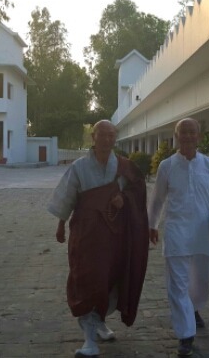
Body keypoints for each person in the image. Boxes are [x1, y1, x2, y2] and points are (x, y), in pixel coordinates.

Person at [48, 120, 149, 357]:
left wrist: (124, 198)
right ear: (93, 137)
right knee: (86, 279)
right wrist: (61, 225)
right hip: (86, 235)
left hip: (114, 235)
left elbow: (137, 190)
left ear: (115, 138)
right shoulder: (80, 166)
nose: (106, 139)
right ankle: (89, 340)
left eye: (111, 135)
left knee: (110, 278)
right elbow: (67, 196)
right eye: (101, 135)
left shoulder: (124, 166)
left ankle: (99, 322)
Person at [148, 118, 209, 357]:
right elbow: (157, 199)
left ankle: (194, 308)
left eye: (191, 132)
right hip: (176, 232)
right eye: (183, 132)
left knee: (200, 281)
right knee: (177, 285)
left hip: (203, 233)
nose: (187, 136)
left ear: (199, 136)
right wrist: (152, 224)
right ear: (176, 136)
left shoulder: (208, 165)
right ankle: (185, 334)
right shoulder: (167, 166)